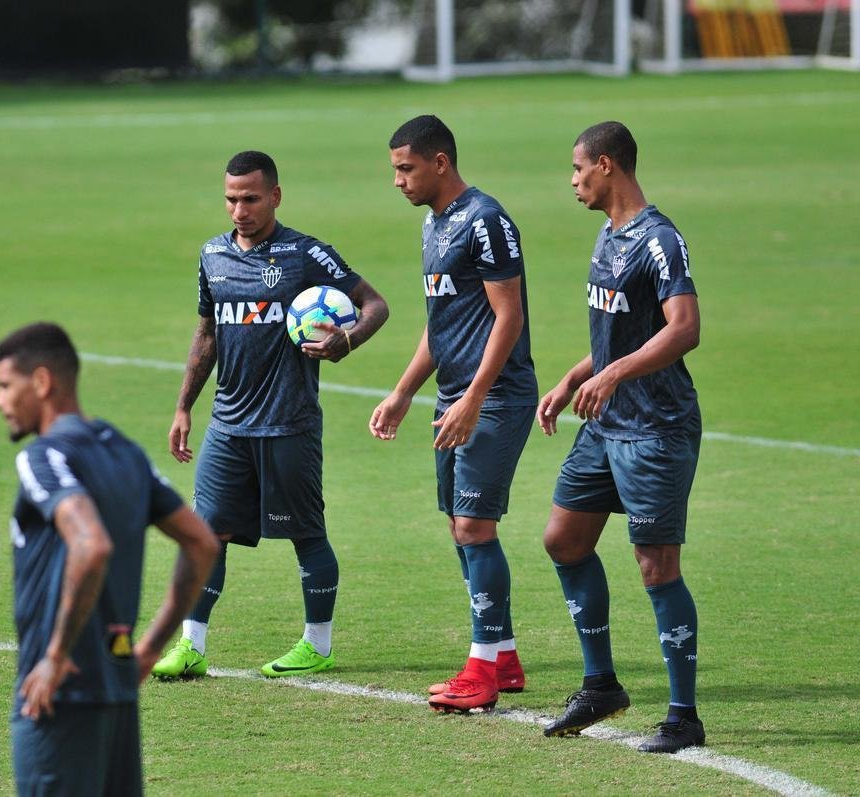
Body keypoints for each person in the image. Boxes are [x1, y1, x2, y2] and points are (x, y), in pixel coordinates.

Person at [152, 150, 389, 680]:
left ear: (275, 196)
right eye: (232, 199)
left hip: (289, 422)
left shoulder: (306, 255)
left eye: (251, 199)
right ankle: (191, 645)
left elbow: (375, 304)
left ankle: (317, 644)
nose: (240, 210)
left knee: (307, 535)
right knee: (205, 534)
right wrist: (184, 405)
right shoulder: (212, 255)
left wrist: (346, 340)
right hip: (228, 424)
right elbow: (207, 333)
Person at [0, 321, 220, 795]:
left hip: (58, 698)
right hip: (116, 694)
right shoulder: (125, 452)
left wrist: (55, 656)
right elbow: (201, 543)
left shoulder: (46, 458)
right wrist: (152, 647)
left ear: (41, 382)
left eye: (5, 386)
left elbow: (90, 544)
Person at [537, 121, 704, 753]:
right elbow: (620, 331)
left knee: (656, 566)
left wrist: (609, 374)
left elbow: (683, 328)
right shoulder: (608, 238)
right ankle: (601, 684)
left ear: (606, 165)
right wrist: (574, 376)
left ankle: (684, 717)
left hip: (656, 428)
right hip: (607, 426)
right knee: (564, 539)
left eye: (578, 168)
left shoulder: (658, 240)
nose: (573, 180)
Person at [370, 115, 538, 714]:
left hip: (495, 397)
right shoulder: (433, 223)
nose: (398, 180)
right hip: (454, 397)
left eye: (405, 168)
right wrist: (404, 390)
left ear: (440, 162)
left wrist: (472, 398)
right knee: (457, 524)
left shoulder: (486, 220)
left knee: (474, 527)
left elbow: (508, 316)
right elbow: (443, 322)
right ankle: (505, 657)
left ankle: (481, 671)